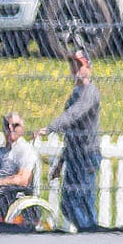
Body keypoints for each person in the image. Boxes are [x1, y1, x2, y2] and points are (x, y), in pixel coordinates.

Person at [44, 48, 101, 230]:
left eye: (79, 64)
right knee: (68, 205)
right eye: (72, 64)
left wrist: (50, 128)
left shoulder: (90, 92)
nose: (75, 68)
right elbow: (71, 133)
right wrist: (60, 163)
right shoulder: (75, 94)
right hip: (74, 156)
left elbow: (74, 114)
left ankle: (91, 236)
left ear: (88, 67)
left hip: (87, 157)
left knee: (81, 203)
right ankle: (89, 233)